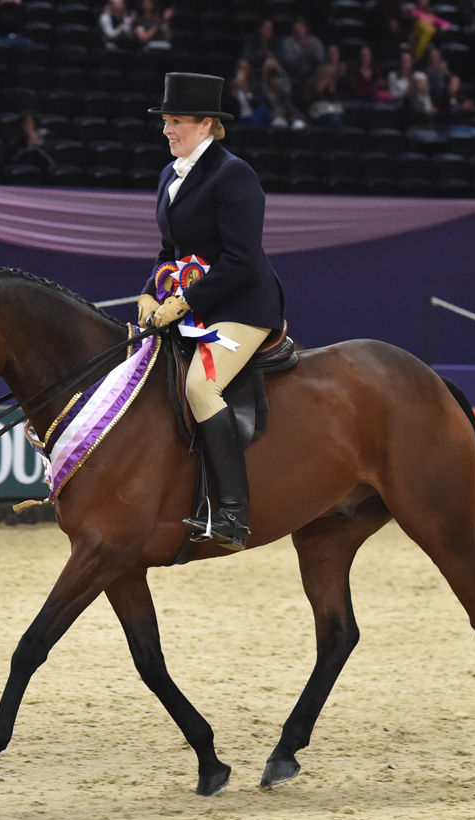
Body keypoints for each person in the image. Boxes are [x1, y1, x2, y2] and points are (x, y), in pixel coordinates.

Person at [136, 72, 285, 552]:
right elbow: (170, 251)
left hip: (243, 305)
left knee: (201, 385)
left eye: (175, 121)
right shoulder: (169, 175)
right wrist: (148, 293)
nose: (167, 129)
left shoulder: (233, 174)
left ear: (205, 125)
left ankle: (235, 514)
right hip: (193, 306)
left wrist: (185, 302)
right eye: (165, 120)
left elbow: (241, 262)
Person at [279, 16, 325, 82]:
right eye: (297, 28)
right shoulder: (288, 42)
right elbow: (288, 61)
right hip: (293, 76)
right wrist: (303, 51)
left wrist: (311, 53)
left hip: (313, 76)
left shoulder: (315, 41)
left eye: (301, 28)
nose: (299, 31)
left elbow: (321, 60)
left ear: (306, 28)